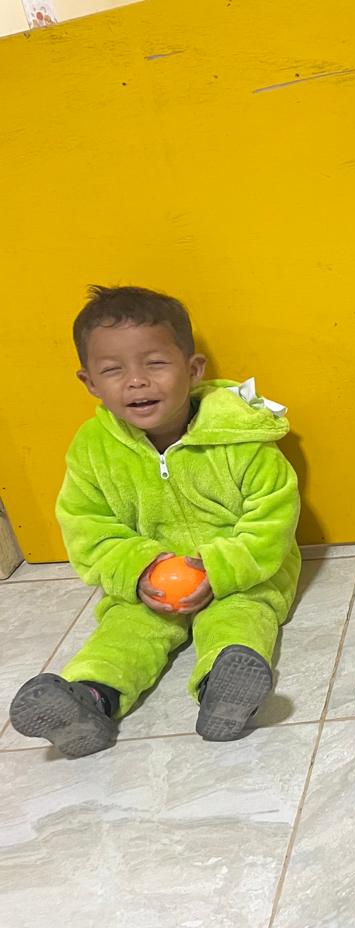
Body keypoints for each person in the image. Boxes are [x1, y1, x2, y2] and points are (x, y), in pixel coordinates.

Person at [8, 286, 300, 756]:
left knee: (242, 618)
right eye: (113, 370)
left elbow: (273, 517)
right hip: (150, 582)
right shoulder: (93, 449)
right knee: (125, 630)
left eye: (155, 364)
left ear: (193, 369)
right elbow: (88, 526)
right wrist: (138, 569)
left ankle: (223, 690)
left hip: (238, 574)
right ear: (89, 383)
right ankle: (91, 698)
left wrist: (221, 569)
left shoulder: (240, 439)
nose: (137, 382)